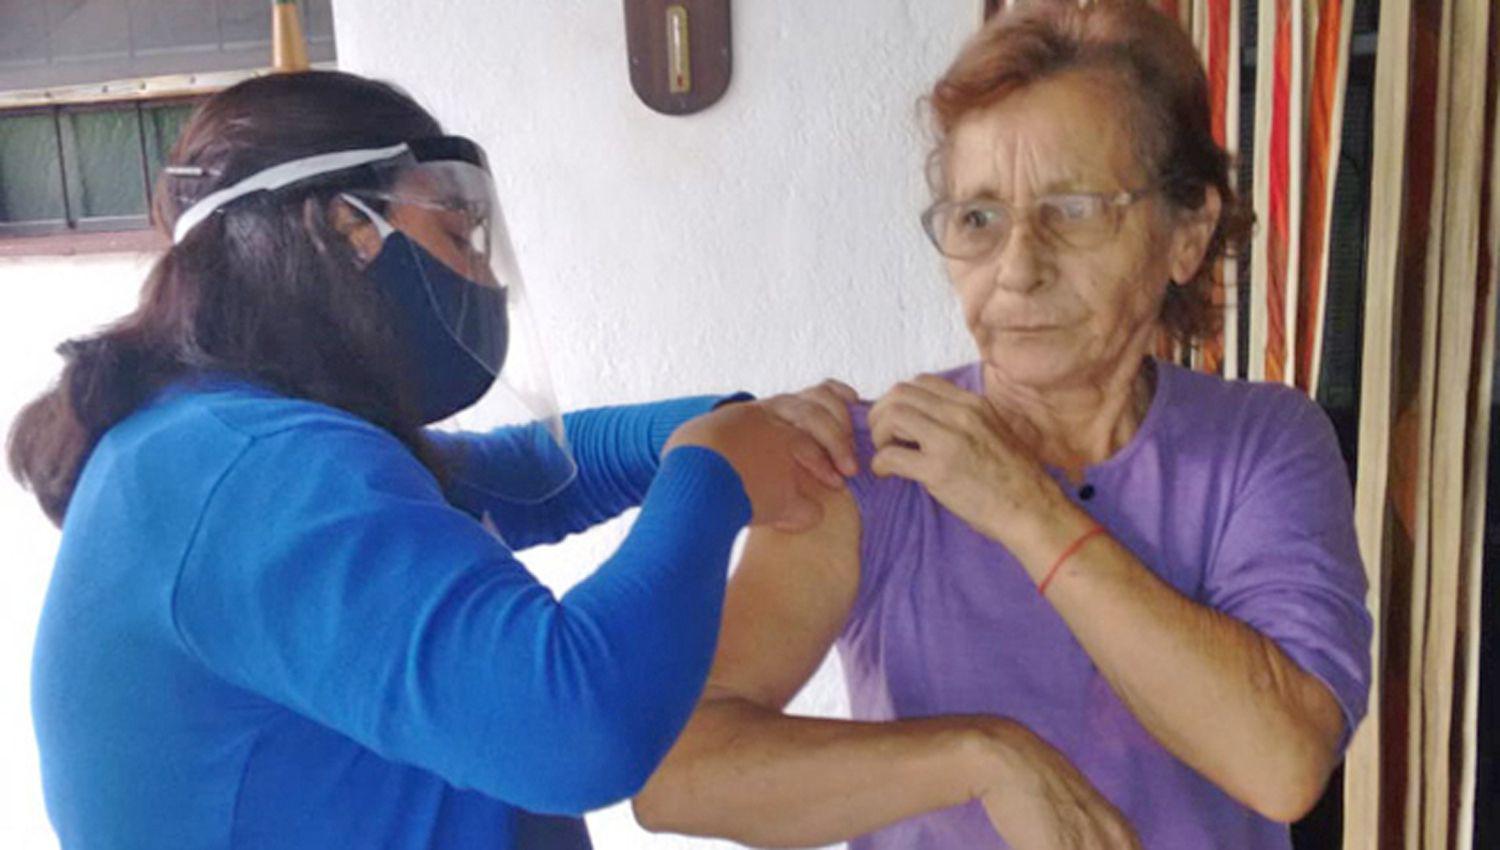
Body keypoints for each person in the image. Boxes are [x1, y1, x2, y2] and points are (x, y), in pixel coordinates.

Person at [8, 70, 861, 850]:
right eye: (457, 233)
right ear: (346, 229)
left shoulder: (199, 443)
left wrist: (728, 421)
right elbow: (574, 727)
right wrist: (711, 479)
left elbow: (523, 472)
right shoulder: (252, 473)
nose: (481, 275)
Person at [632, 2, 1373, 848]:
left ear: (1186, 234)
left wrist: (1026, 508)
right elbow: (673, 775)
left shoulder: (1264, 444)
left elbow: (1282, 764)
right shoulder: (873, 465)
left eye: (1076, 209)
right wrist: (983, 758)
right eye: (979, 219)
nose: (1018, 268)